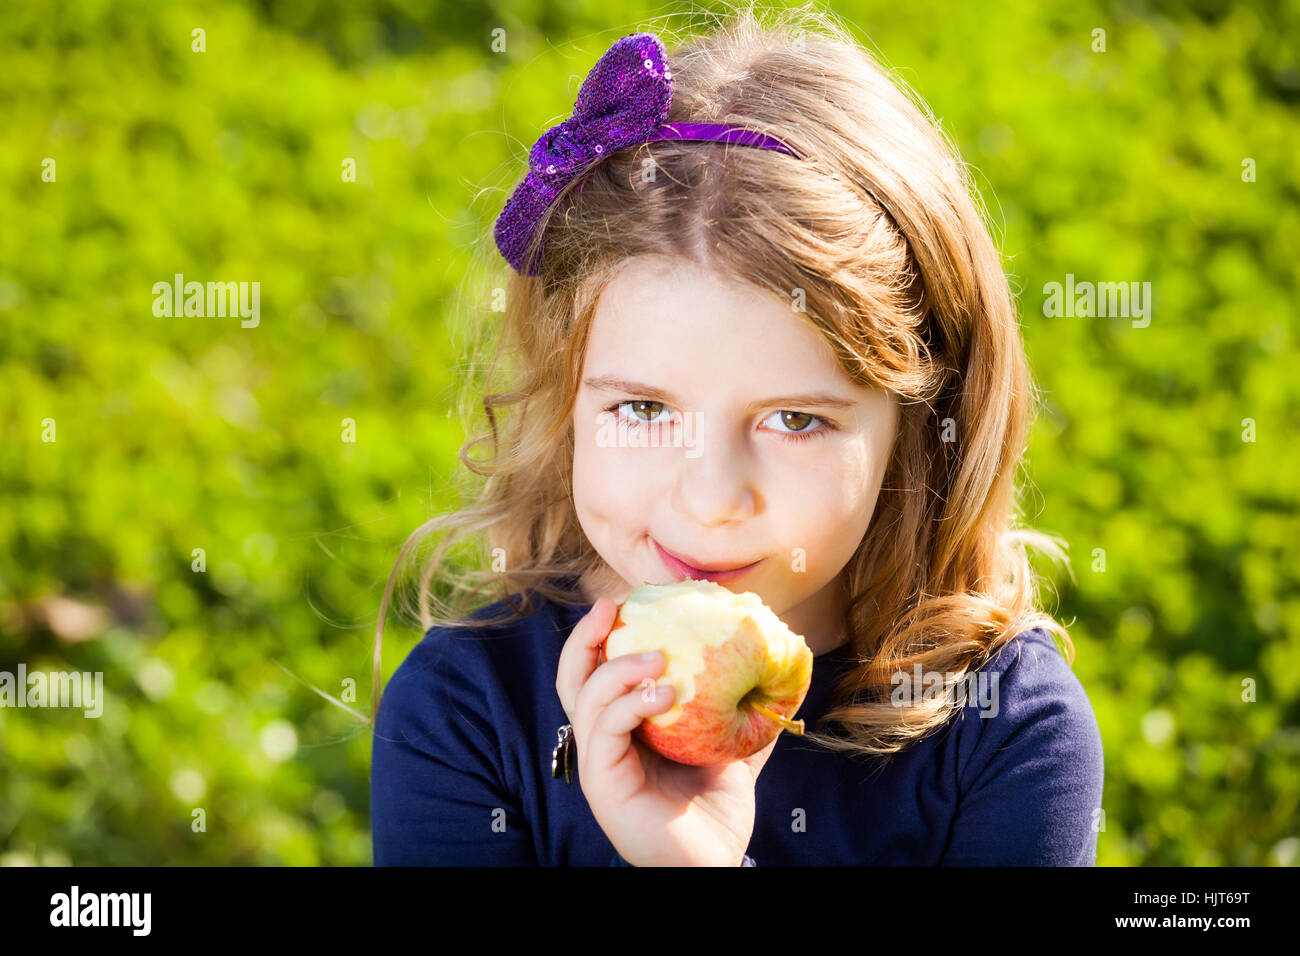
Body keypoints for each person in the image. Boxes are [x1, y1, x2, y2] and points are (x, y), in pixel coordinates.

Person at [370, 8, 1104, 866]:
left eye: (795, 420)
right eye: (642, 410)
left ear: (919, 425)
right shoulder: (464, 712)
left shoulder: (1004, 733)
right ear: (568, 396)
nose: (711, 497)